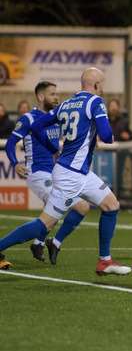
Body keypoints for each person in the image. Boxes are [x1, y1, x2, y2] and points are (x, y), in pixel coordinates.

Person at [0, 67, 130, 276]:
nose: (103, 89)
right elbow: (106, 136)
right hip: (71, 175)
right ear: (96, 85)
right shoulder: (95, 102)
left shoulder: (67, 104)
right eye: (102, 84)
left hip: (79, 172)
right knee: (44, 224)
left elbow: (39, 124)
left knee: (111, 205)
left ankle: (104, 261)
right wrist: (109, 136)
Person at [5, 81, 90, 264]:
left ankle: (41, 242)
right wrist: (14, 162)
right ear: (41, 97)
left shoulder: (56, 117)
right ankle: (41, 242)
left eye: (56, 93)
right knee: (68, 208)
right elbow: (11, 143)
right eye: (52, 94)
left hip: (55, 173)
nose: (56, 97)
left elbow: (54, 143)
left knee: (76, 209)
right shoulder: (28, 118)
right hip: (38, 174)